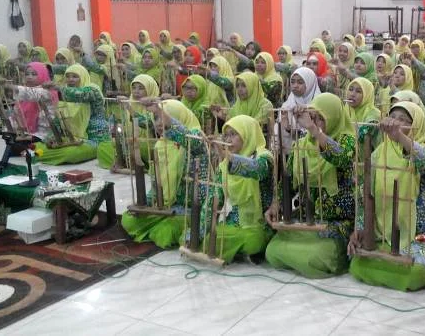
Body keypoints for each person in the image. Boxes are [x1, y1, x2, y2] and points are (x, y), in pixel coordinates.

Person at [348, 101, 425, 292]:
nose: (396, 123)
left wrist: (400, 137)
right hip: (383, 232)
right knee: (357, 265)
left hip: (418, 233)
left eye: (404, 120)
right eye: (393, 118)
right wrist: (361, 229)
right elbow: (365, 196)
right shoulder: (377, 154)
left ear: (417, 125)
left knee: (417, 274)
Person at [265, 93, 356, 278]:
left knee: (314, 258)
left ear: (334, 117)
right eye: (312, 117)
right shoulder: (302, 145)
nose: (314, 122)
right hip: (308, 218)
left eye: (320, 118)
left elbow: (341, 158)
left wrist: (315, 130)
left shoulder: (347, 140)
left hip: (338, 221)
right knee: (273, 250)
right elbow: (288, 182)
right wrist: (277, 203)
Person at [122, 99, 207, 249]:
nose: (159, 124)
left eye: (164, 119)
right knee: (128, 219)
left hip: (187, 209)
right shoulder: (160, 144)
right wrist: (145, 204)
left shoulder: (195, 139)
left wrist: (160, 112)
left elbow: (187, 139)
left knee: (165, 233)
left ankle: (161, 228)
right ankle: (155, 225)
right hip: (163, 206)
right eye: (156, 119)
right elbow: (156, 184)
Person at [193, 115, 272, 263]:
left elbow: (257, 169)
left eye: (234, 134)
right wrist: (200, 230)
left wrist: (228, 157)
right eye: (226, 135)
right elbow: (214, 199)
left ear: (247, 134)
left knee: (252, 241)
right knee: (209, 240)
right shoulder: (224, 165)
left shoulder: (264, 158)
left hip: (259, 226)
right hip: (234, 224)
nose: (228, 140)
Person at [38, 64, 109, 164]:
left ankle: (46, 156)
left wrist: (58, 88)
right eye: (67, 76)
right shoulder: (65, 93)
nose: (70, 79)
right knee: (38, 148)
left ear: (83, 76)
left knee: (70, 153)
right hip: (71, 138)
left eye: (75, 76)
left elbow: (80, 94)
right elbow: (60, 119)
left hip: (93, 139)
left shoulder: (93, 90)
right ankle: (40, 155)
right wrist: (51, 138)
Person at [5, 62, 59, 140]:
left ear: (42, 74)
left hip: (44, 136)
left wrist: (11, 87)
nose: (29, 77)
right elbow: (16, 116)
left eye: (34, 74)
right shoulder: (23, 93)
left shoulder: (49, 91)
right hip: (26, 134)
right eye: (27, 74)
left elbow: (33, 94)